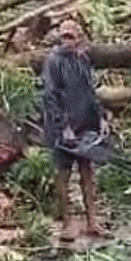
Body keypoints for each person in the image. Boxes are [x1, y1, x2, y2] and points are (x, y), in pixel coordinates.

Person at [41, 19, 106, 241]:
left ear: (79, 38)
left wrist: (101, 119)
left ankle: (92, 221)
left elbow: (91, 92)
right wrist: (64, 127)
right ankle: (67, 224)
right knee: (63, 175)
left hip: (85, 125)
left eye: (71, 36)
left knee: (87, 173)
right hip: (63, 129)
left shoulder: (82, 59)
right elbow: (50, 96)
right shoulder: (53, 62)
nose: (67, 41)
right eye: (64, 36)